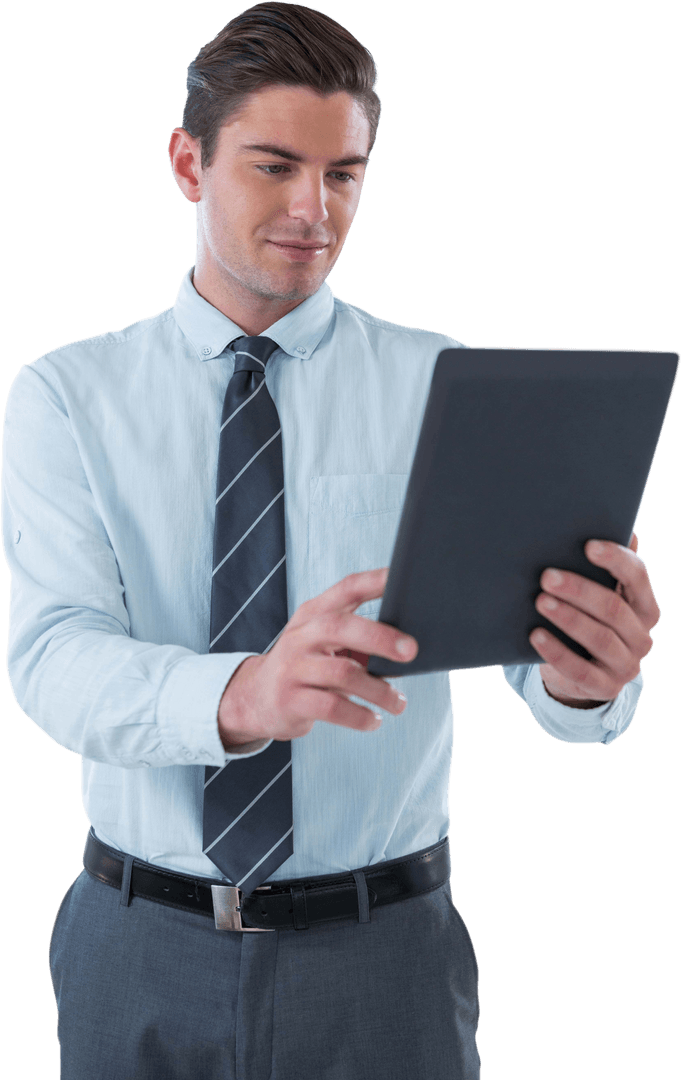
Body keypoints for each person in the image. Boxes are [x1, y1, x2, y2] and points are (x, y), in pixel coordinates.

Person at [1, 3, 661, 1078]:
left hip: (385, 958)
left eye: (343, 173)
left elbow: (538, 674)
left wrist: (585, 676)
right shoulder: (68, 395)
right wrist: (242, 696)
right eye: (274, 166)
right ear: (187, 163)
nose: (314, 208)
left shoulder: (442, 385)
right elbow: (51, 656)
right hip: (138, 946)